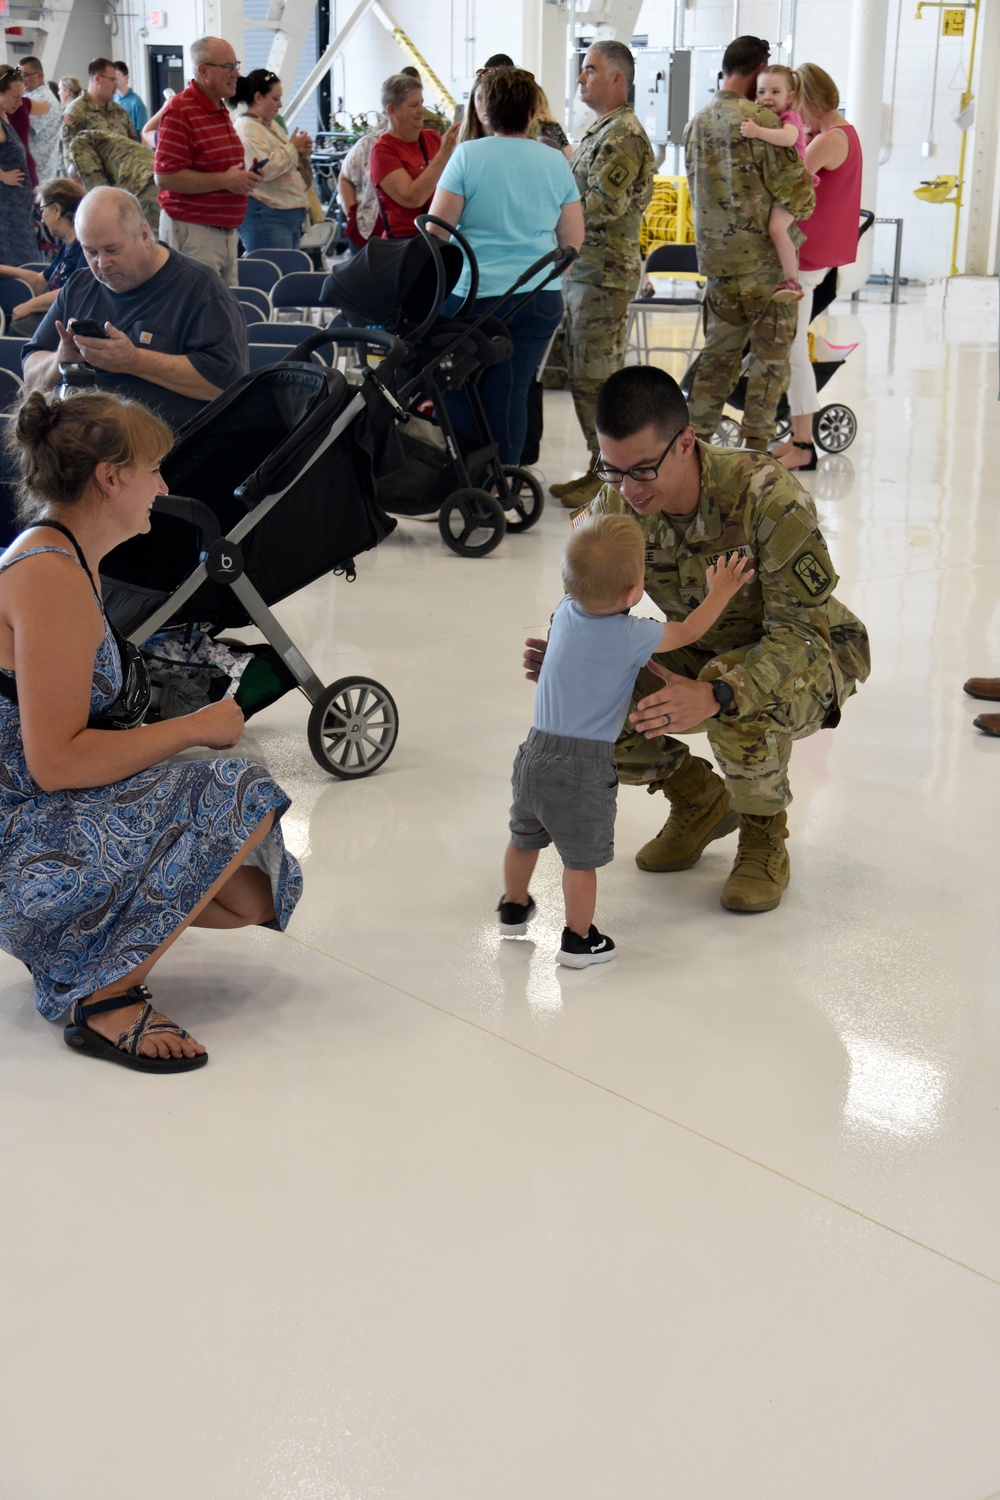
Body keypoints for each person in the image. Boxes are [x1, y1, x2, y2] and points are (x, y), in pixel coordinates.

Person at [0, 388, 302, 1072]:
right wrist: (192, 729)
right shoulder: (49, 575)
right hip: (20, 838)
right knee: (239, 787)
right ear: (110, 478)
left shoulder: (63, 558)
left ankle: (88, 938)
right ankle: (104, 995)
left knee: (251, 894)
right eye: (155, 472)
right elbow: (56, 763)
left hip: (32, 819)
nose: (163, 488)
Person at [524, 365, 870, 914]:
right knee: (588, 698)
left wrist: (718, 693)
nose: (628, 490)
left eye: (642, 470)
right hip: (701, 641)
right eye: (611, 471)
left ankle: (762, 834)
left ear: (686, 441)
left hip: (812, 653)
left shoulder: (764, 496)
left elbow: (802, 632)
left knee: (732, 692)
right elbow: (591, 594)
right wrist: (574, 651)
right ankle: (699, 797)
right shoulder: (617, 499)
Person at [502, 513, 753, 967]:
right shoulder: (631, 634)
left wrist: (588, 533)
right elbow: (690, 632)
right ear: (634, 592)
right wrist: (721, 591)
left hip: (534, 752)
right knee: (580, 861)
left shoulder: (563, 610)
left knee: (524, 838)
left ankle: (513, 908)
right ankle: (579, 941)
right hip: (582, 767)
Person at [428, 67, 584, 465]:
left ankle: (465, 476)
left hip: (473, 297)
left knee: (459, 385)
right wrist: (543, 281)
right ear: (533, 111)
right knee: (512, 389)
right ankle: (506, 478)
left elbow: (436, 231)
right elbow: (572, 240)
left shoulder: (467, 155)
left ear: (482, 108)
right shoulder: (554, 161)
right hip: (536, 300)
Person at [683, 35, 815, 453]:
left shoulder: (696, 123)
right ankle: (755, 451)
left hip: (718, 266)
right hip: (764, 267)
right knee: (769, 361)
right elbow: (799, 194)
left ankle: (694, 447)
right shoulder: (764, 122)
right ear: (760, 69)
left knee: (716, 359)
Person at [23, 186, 248, 429]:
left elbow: (227, 385)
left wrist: (134, 361)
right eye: (91, 252)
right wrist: (60, 359)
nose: (102, 263)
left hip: (166, 450)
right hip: (82, 444)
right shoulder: (80, 285)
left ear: (143, 235)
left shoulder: (201, 288)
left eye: (112, 250)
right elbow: (30, 374)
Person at [548, 41, 655, 510]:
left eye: (590, 70)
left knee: (597, 376)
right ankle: (603, 470)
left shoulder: (624, 135)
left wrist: (547, 210)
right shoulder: (601, 131)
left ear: (617, 77)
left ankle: (613, 479)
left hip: (603, 274)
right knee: (584, 374)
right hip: (586, 271)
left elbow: (600, 206)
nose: (580, 78)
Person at [772, 62, 862, 472]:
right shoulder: (845, 134)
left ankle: (803, 443)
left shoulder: (828, 140)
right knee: (793, 348)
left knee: (793, 352)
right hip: (816, 257)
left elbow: (792, 181)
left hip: (807, 259)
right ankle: (797, 436)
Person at [153, 35, 263, 286]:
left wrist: (244, 177)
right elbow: (165, 177)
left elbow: (215, 167)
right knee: (199, 316)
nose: (236, 73)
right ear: (203, 70)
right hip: (194, 234)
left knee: (223, 317)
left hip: (223, 234)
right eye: (228, 67)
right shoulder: (180, 110)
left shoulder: (219, 109)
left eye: (236, 64)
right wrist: (225, 180)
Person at [739, 65, 811, 301]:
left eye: (775, 92)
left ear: (790, 97)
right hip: (781, 186)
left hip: (794, 187)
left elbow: (788, 138)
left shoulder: (790, 117)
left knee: (776, 228)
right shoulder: (769, 118)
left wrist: (757, 131)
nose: (767, 97)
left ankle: (792, 280)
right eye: (761, 92)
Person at [368, 73, 460, 239]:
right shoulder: (382, 151)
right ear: (392, 110)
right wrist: (444, 152)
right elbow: (413, 198)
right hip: (404, 245)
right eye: (413, 105)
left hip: (438, 238)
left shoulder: (432, 138)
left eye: (422, 103)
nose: (421, 111)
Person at [228, 68, 311, 250]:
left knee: (286, 275)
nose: (280, 105)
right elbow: (264, 169)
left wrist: (301, 151)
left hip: (285, 216)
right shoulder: (246, 129)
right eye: (275, 99)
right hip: (266, 216)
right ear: (258, 98)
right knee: (270, 274)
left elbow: (285, 160)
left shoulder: (270, 125)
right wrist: (292, 148)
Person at [0, 177, 84, 337]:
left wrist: (30, 305)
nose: (42, 218)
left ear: (57, 210)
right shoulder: (68, 245)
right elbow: (40, 282)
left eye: (42, 209)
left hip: (66, 322)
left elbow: (77, 292)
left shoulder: (84, 247)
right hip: (55, 314)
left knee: (17, 326)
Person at [68, 128, 159, 232]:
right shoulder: (101, 138)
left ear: (78, 174)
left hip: (142, 183)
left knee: (152, 237)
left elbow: (99, 192)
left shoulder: (78, 146)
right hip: (155, 172)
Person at [60, 56, 137, 177]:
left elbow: (134, 147)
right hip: (94, 188)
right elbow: (70, 162)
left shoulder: (119, 111)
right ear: (97, 78)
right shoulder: (76, 112)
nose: (116, 85)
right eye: (113, 80)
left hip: (124, 185)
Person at [0, 66, 38, 268]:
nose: (19, 102)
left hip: (18, 209)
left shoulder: (5, 116)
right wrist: (3, 176)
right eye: (15, 97)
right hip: (6, 214)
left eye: (21, 96)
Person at [337, 124, 382, 251]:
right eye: (412, 106)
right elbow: (344, 178)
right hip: (367, 231)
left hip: (410, 233)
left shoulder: (427, 142)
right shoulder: (368, 143)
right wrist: (352, 214)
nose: (419, 112)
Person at [19, 57, 62, 185]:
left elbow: (20, 128)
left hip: (39, 174)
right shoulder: (29, 96)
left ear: (40, 76)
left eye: (25, 75)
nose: (21, 79)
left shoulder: (44, 100)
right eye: (18, 75)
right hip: (33, 172)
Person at [399, 66, 450, 135]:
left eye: (417, 86)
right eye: (409, 88)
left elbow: (443, 145)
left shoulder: (435, 122)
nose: (413, 92)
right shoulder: (391, 123)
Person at [113, 62, 149, 134]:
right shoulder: (112, 99)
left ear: (126, 78)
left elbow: (143, 133)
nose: (115, 81)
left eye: (117, 78)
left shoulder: (136, 103)